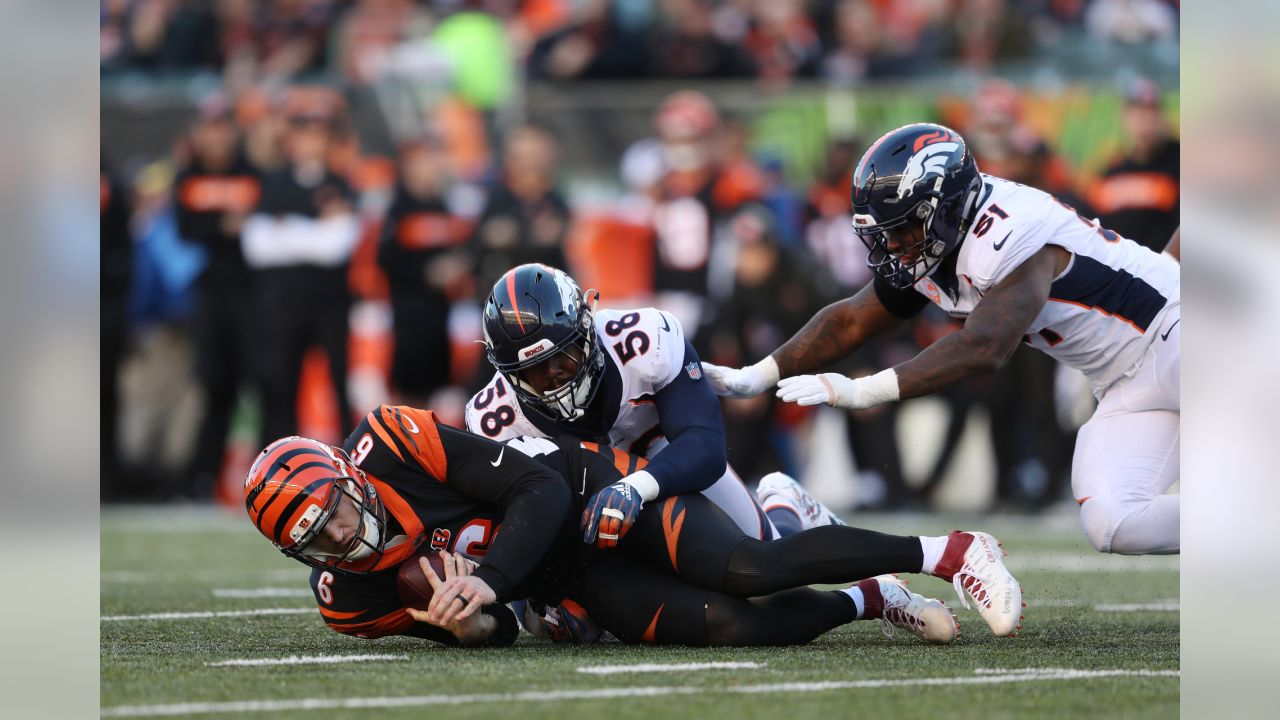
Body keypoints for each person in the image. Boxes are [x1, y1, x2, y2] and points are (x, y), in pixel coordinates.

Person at [703, 123, 1180, 556]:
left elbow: (984, 347)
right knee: (1113, 523)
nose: (892, 246)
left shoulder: (1011, 230)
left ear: (946, 208)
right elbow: (851, 320)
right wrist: (758, 374)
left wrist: (860, 391)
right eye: (884, 233)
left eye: (902, 229)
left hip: (1180, 332)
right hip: (1123, 382)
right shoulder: (937, 241)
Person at [244, 404, 1026, 646]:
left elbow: (537, 490)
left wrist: (488, 578)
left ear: (351, 476)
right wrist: (474, 621)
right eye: (316, 539)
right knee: (736, 629)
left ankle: (951, 550)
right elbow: (498, 637)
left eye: (339, 514)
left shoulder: (393, 440)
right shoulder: (346, 600)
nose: (343, 538)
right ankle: (869, 597)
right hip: (562, 574)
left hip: (592, 495)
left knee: (749, 567)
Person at [465, 263, 837, 543]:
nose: (555, 374)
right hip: (590, 503)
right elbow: (519, 524)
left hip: (671, 464)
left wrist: (636, 487)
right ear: (509, 373)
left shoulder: (643, 339)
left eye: (563, 355)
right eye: (534, 370)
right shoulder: (493, 418)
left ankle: (784, 504)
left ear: (586, 329)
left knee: (765, 558)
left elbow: (705, 448)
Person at [242, 111, 359, 446]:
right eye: (305, 135)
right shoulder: (274, 182)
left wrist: (287, 230)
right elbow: (257, 245)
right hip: (280, 304)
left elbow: (338, 245)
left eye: (319, 135)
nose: (311, 143)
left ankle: (351, 464)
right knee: (278, 384)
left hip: (329, 303)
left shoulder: (339, 184)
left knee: (339, 383)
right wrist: (315, 230)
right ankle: (277, 465)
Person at [173, 97, 262, 498]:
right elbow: (185, 229)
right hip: (210, 297)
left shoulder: (252, 174)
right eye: (211, 127)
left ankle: (270, 480)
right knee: (214, 389)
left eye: (224, 127)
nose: (218, 137)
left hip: (251, 297)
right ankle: (203, 478)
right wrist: (223, 226)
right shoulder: (188, 176)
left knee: (259, 386)